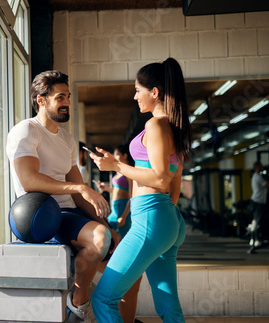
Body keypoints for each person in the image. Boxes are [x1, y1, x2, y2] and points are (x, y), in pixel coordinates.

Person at [6, 70, 117, 323]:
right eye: (60, 97)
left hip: (72, 213)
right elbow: (29, 181)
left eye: (67, 96)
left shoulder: (67, 139)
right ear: (41, 100)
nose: (66, 102)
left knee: (119, 251)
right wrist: (79, 189)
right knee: (99, 240)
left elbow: (79, 194)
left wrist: (107, 225)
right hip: (46, 214)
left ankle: (116, 315)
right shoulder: (26, 131)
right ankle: (79, 304)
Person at [89, 57, 191, 322]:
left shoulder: (155, 125)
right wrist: (163, 217)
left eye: (138, 90)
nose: (135, 96)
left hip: (151, 220)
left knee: (103, 298)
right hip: (167, 220)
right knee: (169, 308)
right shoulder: (175, 128)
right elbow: (174, 186)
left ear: (154, 92)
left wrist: (116, 166)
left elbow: (160, 179)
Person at [96, 144, 142, 323]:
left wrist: (124, 215)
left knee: (123, 248)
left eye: (116, 154)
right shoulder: (117, 172)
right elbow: (117, 191)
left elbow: (131, 195)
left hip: (123, 210)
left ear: (124, 155)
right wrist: (105, 189)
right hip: (114, 211)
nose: (114, 157)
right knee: (114, 245)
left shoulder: (129, 171)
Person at [247, 161, 268, 253]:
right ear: (258, 167)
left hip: (257, 201)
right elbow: (267, 185)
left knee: (256, 221)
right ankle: (256, 241)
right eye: (261, 166)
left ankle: (255, 240)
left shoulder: (256, 176)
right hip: (258, 202)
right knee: (257, 222)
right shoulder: (258, 177)